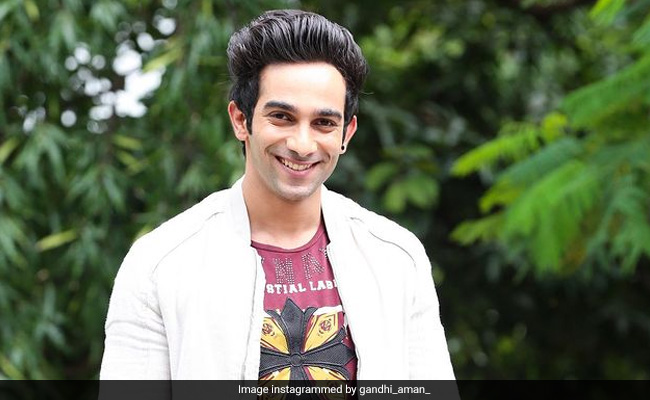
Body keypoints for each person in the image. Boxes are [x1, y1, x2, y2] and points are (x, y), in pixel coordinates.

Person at [100, 9, 455, 381]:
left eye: (323, 123)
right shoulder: (161, 264)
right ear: (241, 120)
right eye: (282, 117)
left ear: (346, 134)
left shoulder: (395, 257)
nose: (302, 144)